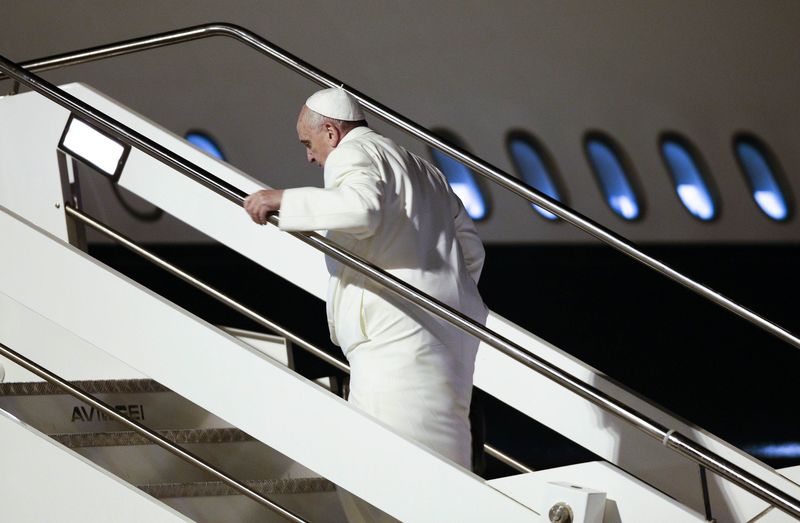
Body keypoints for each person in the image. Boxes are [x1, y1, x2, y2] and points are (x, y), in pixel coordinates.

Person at [244, 86, 487, 487]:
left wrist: (283, 200)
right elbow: (472, 250)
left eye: (309, 143)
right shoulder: (423, 168)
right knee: (445, 478)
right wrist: (441, 292)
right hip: (449, 338)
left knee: (383, 480)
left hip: (393, 339)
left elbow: (361, 208)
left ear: (331, 133)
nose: (309, 156)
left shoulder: (353, 154)